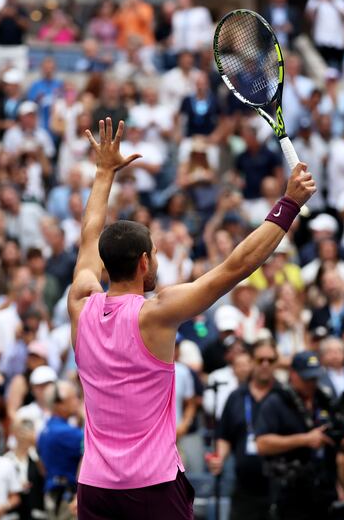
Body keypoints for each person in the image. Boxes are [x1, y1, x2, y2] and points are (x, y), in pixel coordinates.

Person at [67, 117, 315, 519]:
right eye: (157, 254)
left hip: (94, 486)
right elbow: (236, 267)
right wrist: (288, 205)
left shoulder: (80, 300)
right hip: (153, 486)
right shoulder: (157, 313)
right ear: (145, 260)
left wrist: (103, 172)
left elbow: (88, 234)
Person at [254, 350, 338, 519]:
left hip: (323, 488)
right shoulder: (276, 401)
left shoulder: (323, 399)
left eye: (314, 378)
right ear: (293, 374)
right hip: (291, 491)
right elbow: (262, 444)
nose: (311, 384)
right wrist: (305, 440)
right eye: (307, 379)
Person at [207, 340, 280, 519]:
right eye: (260, 359)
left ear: (277, 363)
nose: (264, 365)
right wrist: (220, 457)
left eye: (270, 360)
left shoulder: (285, 395)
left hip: (278, 487)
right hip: (243, 488)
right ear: (251, 362)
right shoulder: (236, 397)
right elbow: (224, 434)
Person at [37, 380, 83, 520]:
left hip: (52, 492)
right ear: (59, 404)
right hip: (66, 498)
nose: (77, 402)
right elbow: (94, 443)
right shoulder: (64, 432)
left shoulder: (45, 428)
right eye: (74, 398)